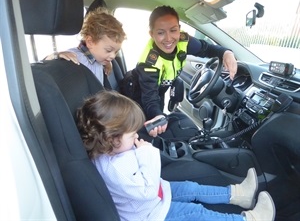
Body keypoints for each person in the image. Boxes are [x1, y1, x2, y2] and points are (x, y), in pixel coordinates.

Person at [76, 90, 275, 221]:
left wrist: (138, 151)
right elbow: (146, 192)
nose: (136, 135)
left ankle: (239, 195)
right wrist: (147, 154)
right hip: (151, 214)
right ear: (112, 138)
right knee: (197, 214)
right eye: (132, 134)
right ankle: (249, 219)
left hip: (153, 198)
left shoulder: (109, 151)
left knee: (191, 188)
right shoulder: (116, 169)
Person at [127, 5, 238, 140]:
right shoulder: (148, 63)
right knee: (150, 131)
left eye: (173, 30)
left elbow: (206, 49)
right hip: (136, 97)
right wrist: (158, 115)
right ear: (152, 34)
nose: (168, 38)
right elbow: (149, 99)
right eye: (161, 33)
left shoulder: (183, 40)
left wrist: (226, 53)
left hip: (159, 92)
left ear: (179, 29)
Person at [44, 7, 126, 88]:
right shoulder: (75, 57)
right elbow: (45, 69)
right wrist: (55, 56)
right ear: (90, 42)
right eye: (108, 50)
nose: (113, 56)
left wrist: (107, 63)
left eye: (116, 52)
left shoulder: (98, 58)